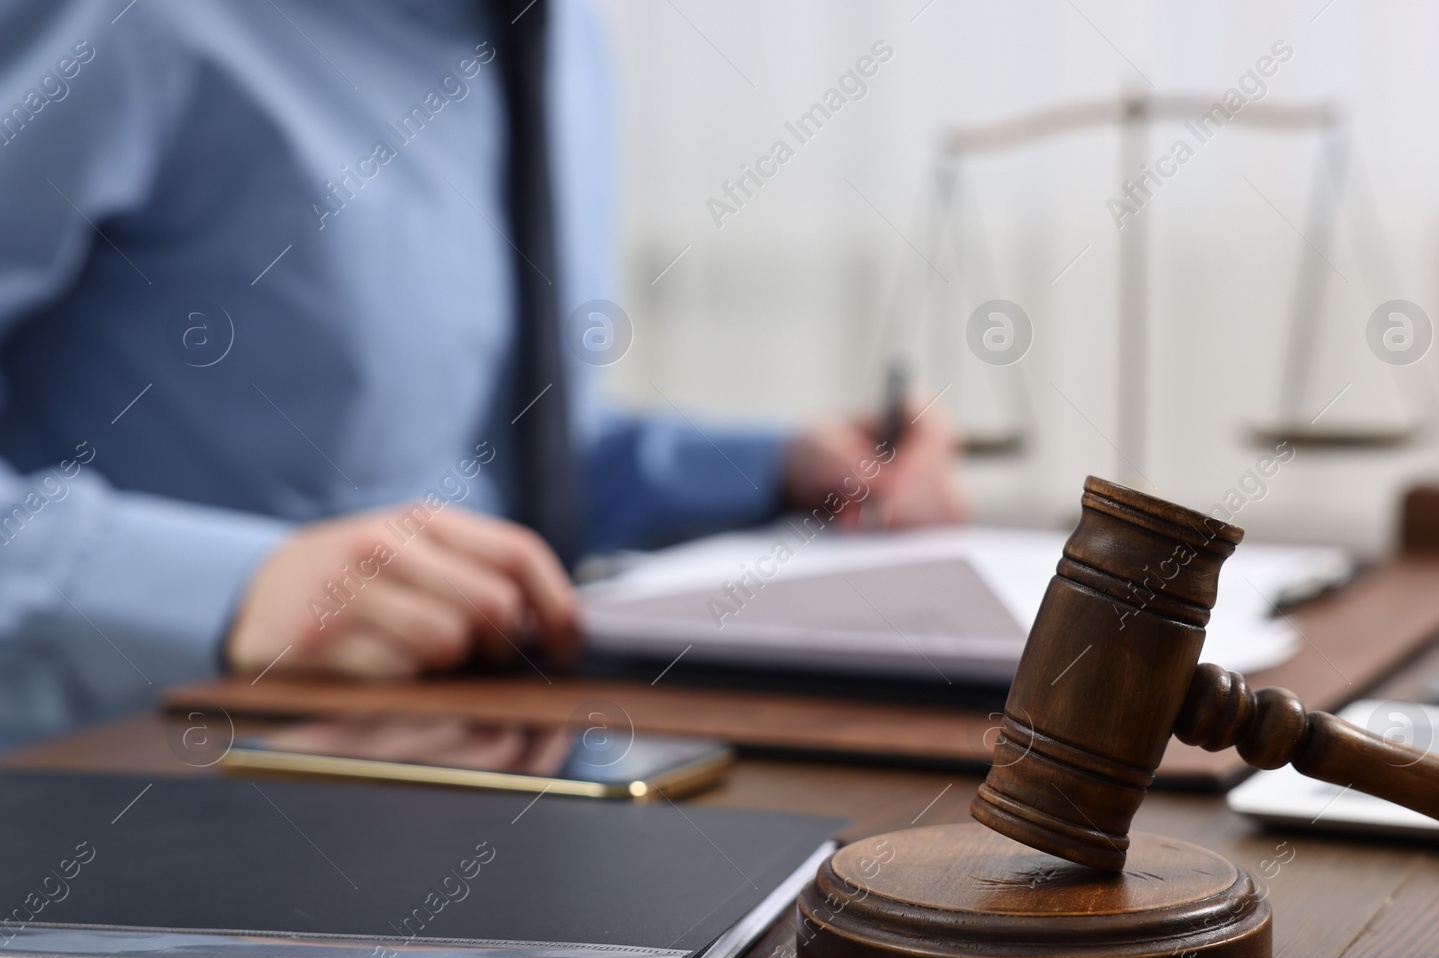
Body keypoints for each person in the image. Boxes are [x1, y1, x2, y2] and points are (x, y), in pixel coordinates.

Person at [0, 0, 965, 745]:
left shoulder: (561, 37)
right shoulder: (119, 27)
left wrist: (779, 466)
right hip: (129, 814)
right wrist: (223, 590)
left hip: (468, 772)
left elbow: (478, 460)